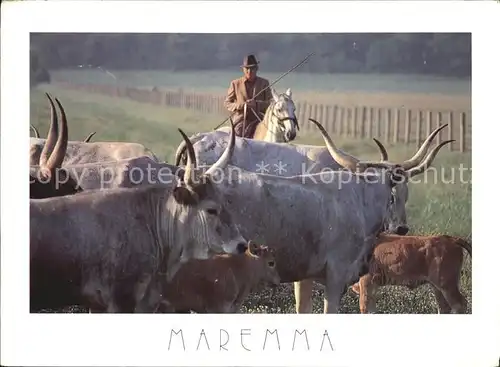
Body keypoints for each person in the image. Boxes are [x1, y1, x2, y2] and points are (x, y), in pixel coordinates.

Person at [224, 54, 272, 138]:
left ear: (257, 69)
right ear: (243, 69)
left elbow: (271, 103)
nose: (249, 71)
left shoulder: (264, 83)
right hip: (241, 120)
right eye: (247, 68)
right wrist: (241, 105)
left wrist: (256, 104)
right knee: (237, 139)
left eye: (252, 68)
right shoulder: (235, 84)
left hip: (259, 119)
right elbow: (227, 103)